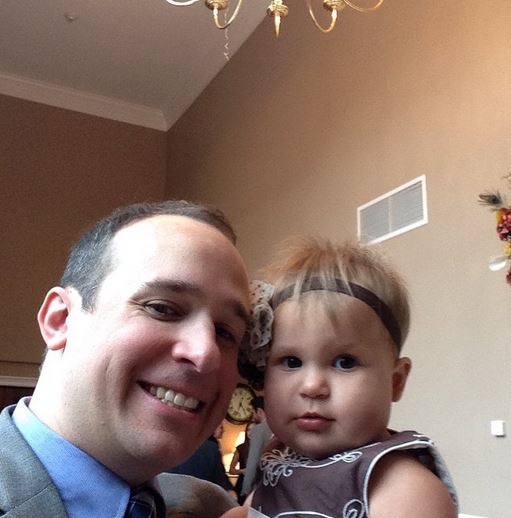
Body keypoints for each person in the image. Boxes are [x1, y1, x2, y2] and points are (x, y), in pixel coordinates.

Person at [0, 200, 250, 517]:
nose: (205, 353)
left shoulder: (215, 508)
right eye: (162, 308)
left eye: (225, 332)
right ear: (60, 320)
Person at [224, 237, 458, 518]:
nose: (312, 386)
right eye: (291, 361)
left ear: (396, 381)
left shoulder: (401, 488)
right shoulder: (277, 465)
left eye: (344, 363)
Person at [168, 422, 236, 496]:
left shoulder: (165, 445)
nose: (223, 430)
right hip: (198, 497)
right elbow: (221, 480)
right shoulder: (210, 448)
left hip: (168, 495)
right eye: (221, 427)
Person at [239, 397, 272, 499]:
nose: (252, 416)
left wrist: (246, 489)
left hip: (260, 486)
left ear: (259, 411)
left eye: (253, 412)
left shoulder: (258, 430)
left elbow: (252, 462)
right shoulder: (280, 428)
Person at [228, 422, 255, 503]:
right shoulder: (241, 448)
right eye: (248, 430)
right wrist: (242, 471)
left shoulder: (264, 447)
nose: (250, 432)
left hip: (256, 485)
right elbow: (231, 470)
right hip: (242, 485)